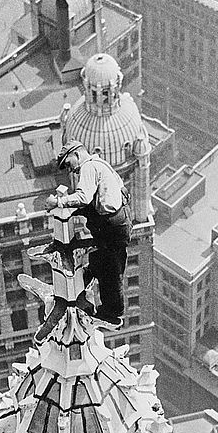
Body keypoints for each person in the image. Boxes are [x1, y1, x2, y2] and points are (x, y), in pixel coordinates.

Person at [46, 140, 131, 327]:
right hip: (118, 224)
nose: (72, 170)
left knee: (111, 271)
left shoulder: (89, 167)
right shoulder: (102, 164)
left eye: (69, 164)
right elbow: (122, 190)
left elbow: (83, 197)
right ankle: (84, 285)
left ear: (76, 154)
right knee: (101, 262)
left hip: (112, 227)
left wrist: (58, 203)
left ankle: (112, 313)